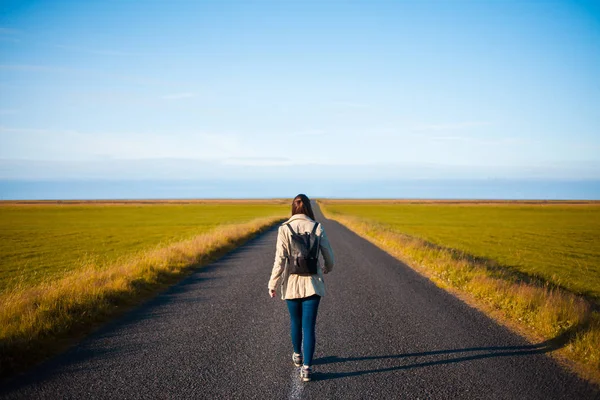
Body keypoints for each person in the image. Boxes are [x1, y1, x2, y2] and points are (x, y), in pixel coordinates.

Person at [268, 194, 335, 382]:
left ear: (293, 208)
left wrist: (272, 283)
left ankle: (297, 355)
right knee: (309, 327)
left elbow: (279, 260)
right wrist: (327, 269)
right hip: (312, 283)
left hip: (291, 284)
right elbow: (329, 255)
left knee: (295, 322)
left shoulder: (284, 229)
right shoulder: (317, 227)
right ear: (308, 208)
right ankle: (306, 369)